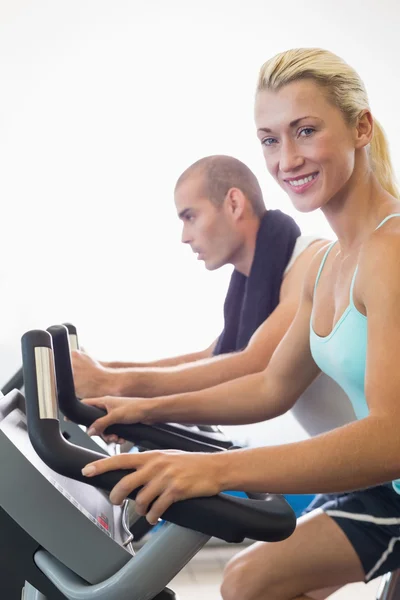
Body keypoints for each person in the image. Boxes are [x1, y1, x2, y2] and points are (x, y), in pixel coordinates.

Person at [79, 47, 400, 599]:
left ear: (361, 128)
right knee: (248, 582)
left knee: (250, 582)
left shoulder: (389, 251)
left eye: (305, 131)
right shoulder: (327, 264)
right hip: (380, 486)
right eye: (271, 140)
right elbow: (270, 385)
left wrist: (219, 471)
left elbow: (393, 436)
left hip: (387, 477)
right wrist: (142, 409)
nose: (287, 160)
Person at [73, 155, 354, 439]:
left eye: (190, 217)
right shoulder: (254, 290)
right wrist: (104, 370)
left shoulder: (312, 262)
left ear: (234, 203)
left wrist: (113, 383)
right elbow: (211, 360)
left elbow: (256, 364)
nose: (184, 236)